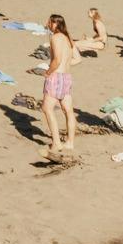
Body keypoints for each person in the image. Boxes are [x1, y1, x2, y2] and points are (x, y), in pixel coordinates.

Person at [40, 13, 77, 162]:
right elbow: (77, 59)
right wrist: (65, 66)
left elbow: (57, 59)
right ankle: (70, 142)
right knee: (68, 110)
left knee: (47, 109)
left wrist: (48, 72)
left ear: (54, 23)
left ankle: (56, 143)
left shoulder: (55, 38)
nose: (47, 24)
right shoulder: (68, 38)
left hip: (56, 77)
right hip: (67, 77)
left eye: (49, 22)